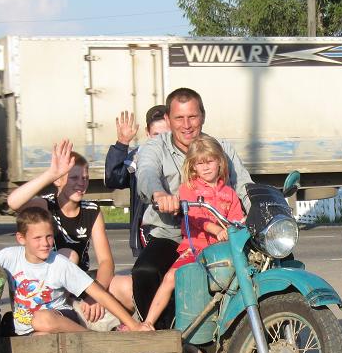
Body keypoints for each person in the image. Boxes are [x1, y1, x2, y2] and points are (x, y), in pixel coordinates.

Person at [132, 87, 253, 327]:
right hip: (173, 234)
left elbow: (244, 187)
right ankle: (162, 338)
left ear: (203, 116)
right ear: (168, 119)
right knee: (145, 272)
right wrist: (159, 194)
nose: (186, 125)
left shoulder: (221, 149)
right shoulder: (156, 147)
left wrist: (263, 208)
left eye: (192, 117)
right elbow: (146, 173)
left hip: (220, 236)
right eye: (179, 118)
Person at [0, 207, 149, 335]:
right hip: (28, 329)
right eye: (37, 238)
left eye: (49, 237)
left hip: (60, 317)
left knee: (42, 320)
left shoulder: (59, 263)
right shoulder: (9, 256)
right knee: (40, 335)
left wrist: (134, 325)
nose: (45, 243)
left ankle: (90, 338)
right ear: (21, 238)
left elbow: (99, 294)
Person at [6, 139, 132, 326]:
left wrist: (97, 294)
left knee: (128, 286)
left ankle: (125, 328)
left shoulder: (92, 210)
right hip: (50, 287)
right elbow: (13, 202)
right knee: (67, 256)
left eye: (85, 178)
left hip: (81, 282)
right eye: (74, 178)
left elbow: (106, 262)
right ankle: (65, 314)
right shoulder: (46, 205)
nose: (81, 183)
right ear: (58, 181)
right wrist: (50, 173)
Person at [142, 136, 245, 328]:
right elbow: (195, 216)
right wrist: (216, 229)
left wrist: (239, 225)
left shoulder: (229, 192)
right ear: (193, 166)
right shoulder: (188, 188)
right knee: (171, 278)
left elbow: (236, 218)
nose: (206, 167)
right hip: (196, 248)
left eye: (210, 161)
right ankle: (148, 322)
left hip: (222, 249)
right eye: (200, 163)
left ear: (220, 162)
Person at [104, 106, 170, 258]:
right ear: (147, 133)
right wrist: (121, 144)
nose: (161, 141)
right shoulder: (137, 157)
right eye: (156, 135)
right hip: (146, 231)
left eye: (167, 135)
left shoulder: (184, 156)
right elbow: (114, 179)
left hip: (176, 233)